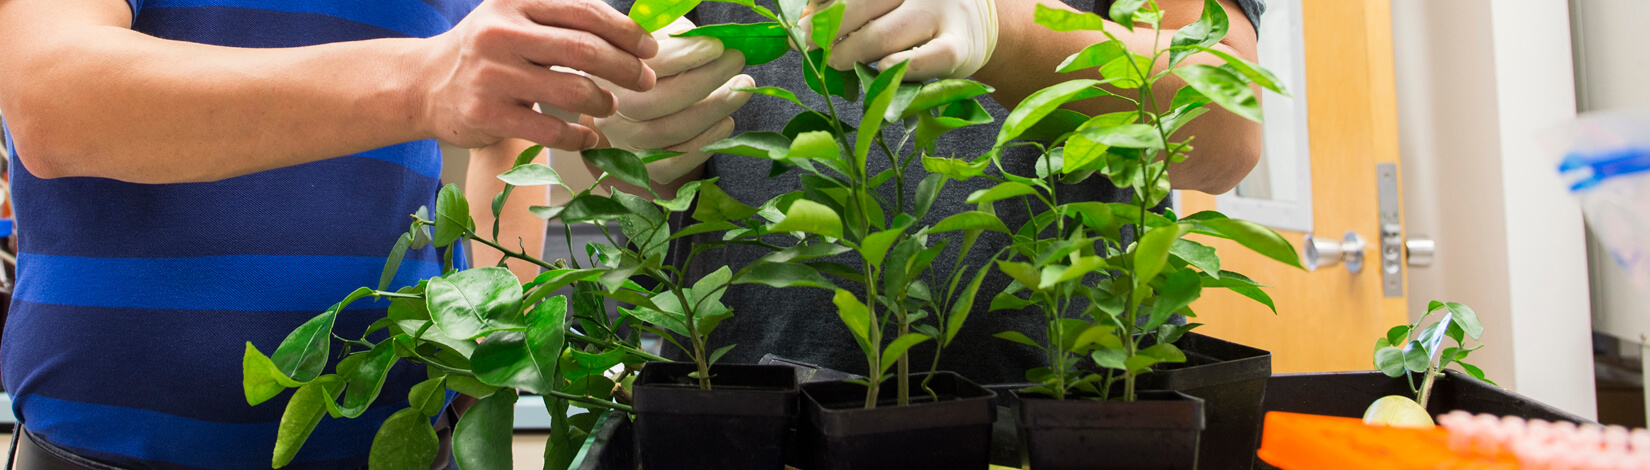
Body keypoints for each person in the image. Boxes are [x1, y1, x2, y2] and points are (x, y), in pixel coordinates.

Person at [0, 0, 660, 467]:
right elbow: (53, 99)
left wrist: (488, 356)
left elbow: (516, 122)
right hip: (98, 455)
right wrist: (417, 83)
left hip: (402, 447)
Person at [568, 0, 1267, 385]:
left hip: (1065, 406)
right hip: (740, 403)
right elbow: (576, 112)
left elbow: (1227, 128)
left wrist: (1007, 32)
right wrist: (609, 137)